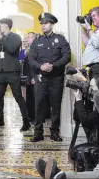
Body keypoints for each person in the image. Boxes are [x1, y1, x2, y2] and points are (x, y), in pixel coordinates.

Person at [28, 13, 71, 142]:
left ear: (52, 24)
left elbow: (66, 56)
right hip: (41, 78)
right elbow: (31, 58)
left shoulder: (60, 39)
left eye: (46, 23)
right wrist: (40, 66)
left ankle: (55, 132)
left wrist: (54, 65)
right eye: (41, 23)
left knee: (56, 106)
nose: (43, 26)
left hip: (56, 78)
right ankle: (38, 132)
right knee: (39, 104)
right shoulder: (37, 41)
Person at [0, 18, 30, 131]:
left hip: (12, 72)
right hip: (0, 72)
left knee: (18, 97)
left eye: (0, 26)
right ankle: (0, 119)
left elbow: (11, 49)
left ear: (6, 26)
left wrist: (0, 38)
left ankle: (26, 121)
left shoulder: (16, 37)